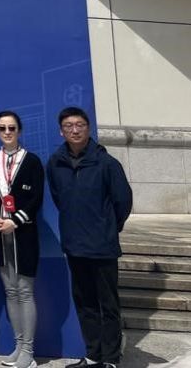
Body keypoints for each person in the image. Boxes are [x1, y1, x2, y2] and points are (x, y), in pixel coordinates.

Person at [47, 107, 133, 368]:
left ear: (88, 128)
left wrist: (108, 226)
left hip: (102, 246)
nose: (74, 130)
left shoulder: (107, 163)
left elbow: (123, 201)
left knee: (108, 305)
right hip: (75, 246)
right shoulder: (55, 163)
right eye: (69, 126)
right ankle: (93, 355)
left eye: (80, 125)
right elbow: (60, 199)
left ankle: (111, 358)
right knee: (85, 304)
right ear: (61, 131)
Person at [0, 110, 44, 368]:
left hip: (24, 234)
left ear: (19, 131)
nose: (7, 132)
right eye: (2, 128)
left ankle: (28, 350)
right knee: (10, 290)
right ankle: (18, 346)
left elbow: (36, 198)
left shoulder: (31, 161)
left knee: (25, 291)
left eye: (11, 128)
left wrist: (14, 221)